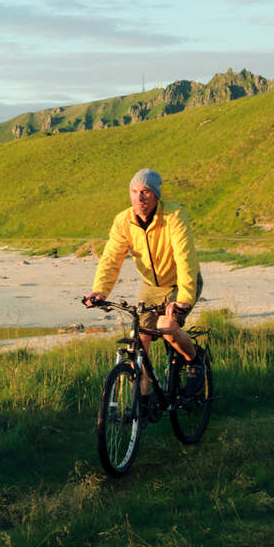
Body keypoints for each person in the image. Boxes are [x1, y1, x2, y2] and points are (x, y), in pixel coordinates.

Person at [83, 168, 204, 399]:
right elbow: (111, 259)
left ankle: (194, 363)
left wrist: (185, 299)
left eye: (146, 192)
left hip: (181, 281)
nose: (139, 198)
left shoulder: (174, 216)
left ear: (156, 195)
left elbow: (185, 258)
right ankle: (142, 404)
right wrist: (99, 291)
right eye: (134, 191)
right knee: (141, 339)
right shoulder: (123, 221)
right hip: (151, 286)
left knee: (167, 327)